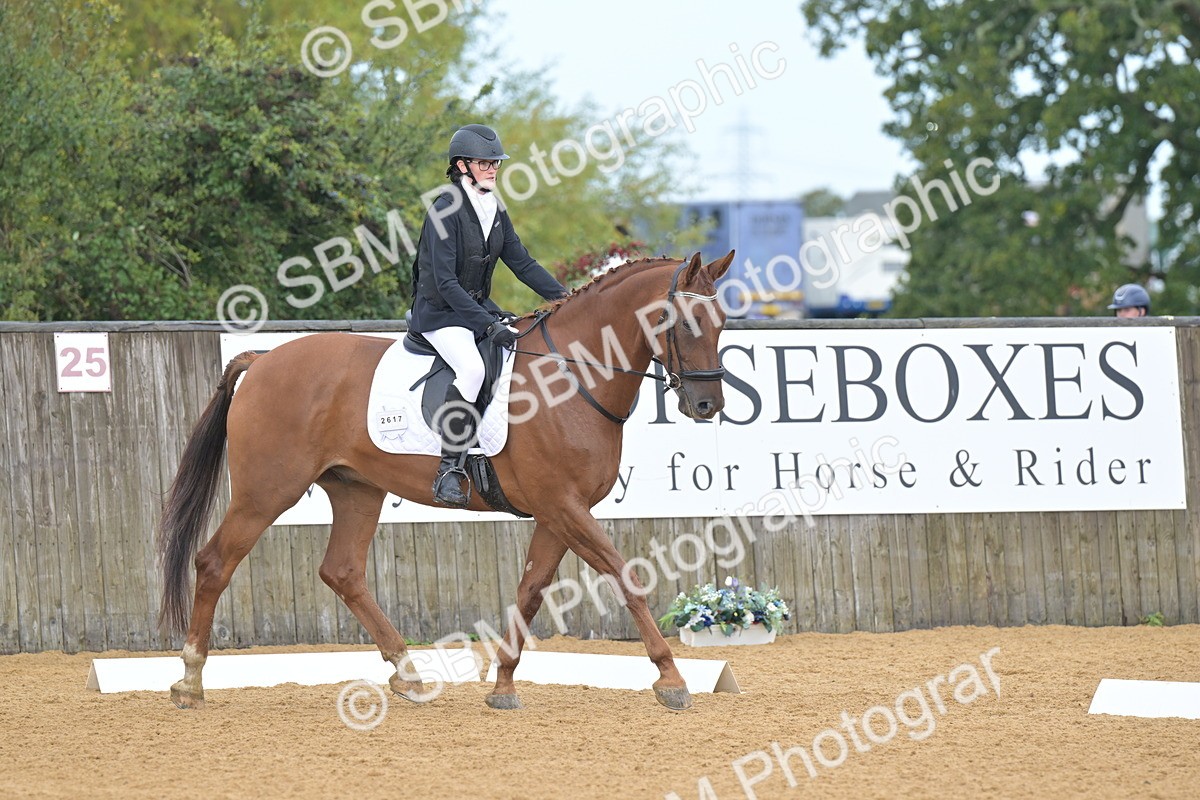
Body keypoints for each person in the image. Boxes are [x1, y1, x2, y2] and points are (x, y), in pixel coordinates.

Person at [409, 124, 569, 506]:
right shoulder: (444, 209)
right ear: (462, 165)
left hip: (477, 310)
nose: (493, 169)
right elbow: (445, 283)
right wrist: (487, 324)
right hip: (440, 314)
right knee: (474, 369)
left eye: (496, 163)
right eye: (485, 163)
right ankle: (450, 467)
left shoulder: (494, 207)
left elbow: (522, 263)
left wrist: (567, 298)